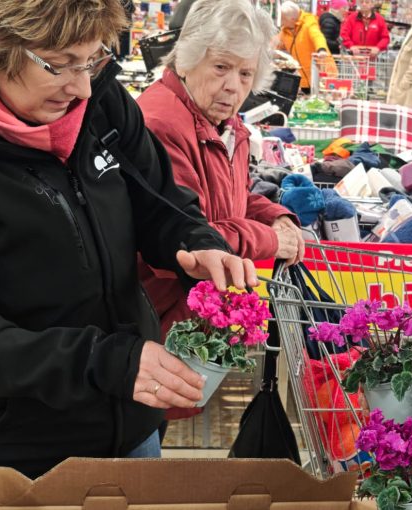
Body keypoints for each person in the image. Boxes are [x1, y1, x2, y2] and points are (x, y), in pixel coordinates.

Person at [0, 0, 260, 508]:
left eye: (92, 60)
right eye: (59, 64)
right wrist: (109, 363)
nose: (81, 85)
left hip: (132, 432)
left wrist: (195, 243)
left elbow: (160, 201)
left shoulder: (100, 105)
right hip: (13, 461)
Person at [136, 0, 304, 420]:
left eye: (245, 73)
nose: (234, 86)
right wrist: (270, 240)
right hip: (156, 323)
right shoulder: (161, 124)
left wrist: (275, 215)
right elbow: (195, 233)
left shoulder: (223, 124)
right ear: (189, 60)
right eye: (221, 68)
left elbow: (233, 196)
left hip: (186, 321)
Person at [277, 1, 330, 93]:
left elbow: (317, 36)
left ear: (292, 19)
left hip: (322, 76)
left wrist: (321, 49)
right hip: (304, 79)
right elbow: (277, 43)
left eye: (283, 19)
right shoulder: (285, 30)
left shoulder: (309, 23)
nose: (281, 22)